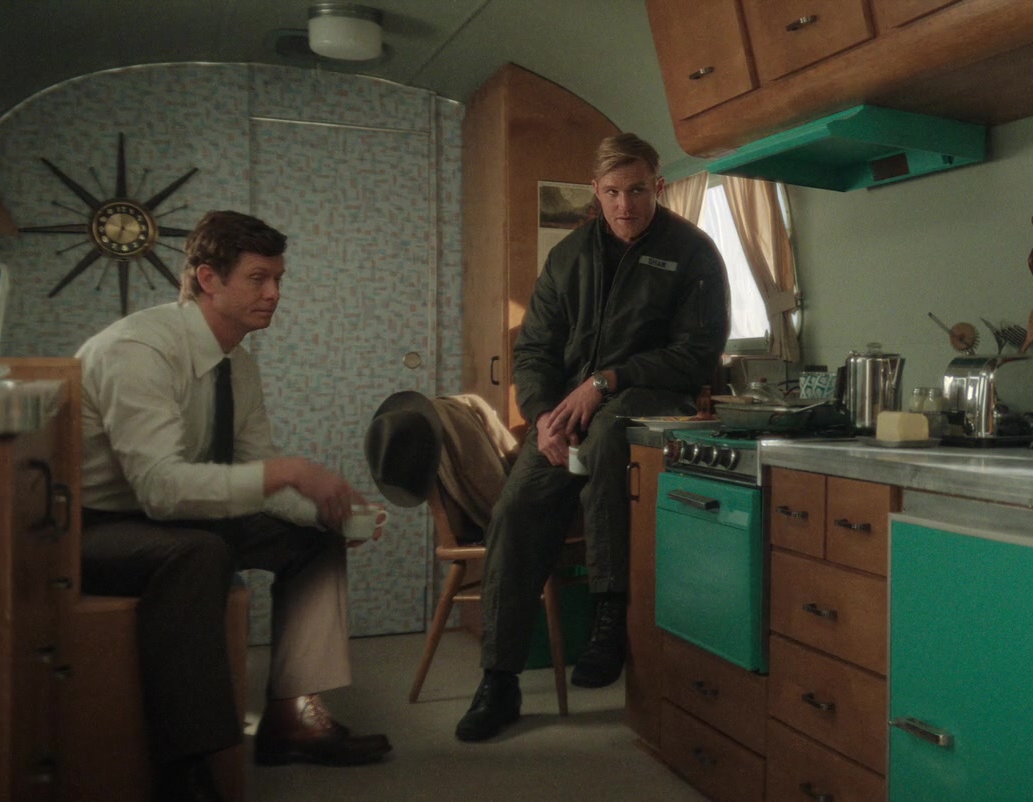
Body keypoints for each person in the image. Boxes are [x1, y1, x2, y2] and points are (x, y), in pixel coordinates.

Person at [76, 211, 392, 801]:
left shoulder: (237, 363)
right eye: (257, 278)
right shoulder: (138, 350)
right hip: (98, 525)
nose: (274, 294)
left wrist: (326, 512)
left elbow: (254, 467)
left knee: (313, 544)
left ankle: (294, 718)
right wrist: (289, 472)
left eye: (278, 279)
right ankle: (185, 767)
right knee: (199, 553)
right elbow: (160, 489)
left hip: (181, 513)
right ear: (208, 279)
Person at [455, 133, 729, 742]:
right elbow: (534, 349)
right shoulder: (568, 256)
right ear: (595, 192)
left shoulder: (693, 253)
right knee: (515, 509)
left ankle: (609, 614)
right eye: (612, 192)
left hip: (651, 399)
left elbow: (696, 355)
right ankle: (498, 680)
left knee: (607, 433)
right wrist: (541, 415)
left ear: (658, 186)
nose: (625, 205)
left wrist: (607, 380)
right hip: (568, 413)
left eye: (637, 190)